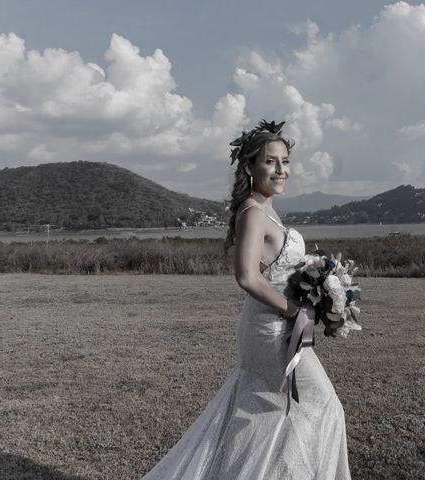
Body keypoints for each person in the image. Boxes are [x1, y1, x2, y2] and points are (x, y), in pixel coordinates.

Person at [140, 120, 351, 479]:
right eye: (271, 162)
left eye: (285, 161)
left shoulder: (266, 207)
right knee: (321, 404)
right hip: (270, 332)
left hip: (281, 328)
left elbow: (277, 270)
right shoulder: (253, 213)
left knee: (273, 414)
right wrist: (294, 309)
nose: (281, 169)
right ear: (250, 167)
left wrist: (318, 285)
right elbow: (247, 276)